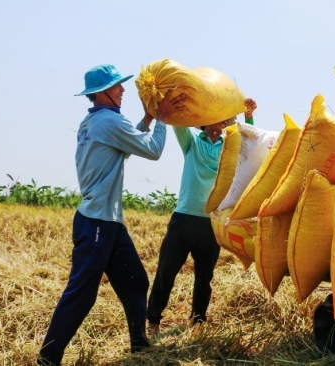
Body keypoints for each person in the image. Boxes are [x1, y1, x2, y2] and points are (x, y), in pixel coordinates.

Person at [37, 64, 186, 366]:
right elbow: (153, 150)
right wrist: (162, 120)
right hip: (97, 223)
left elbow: (128, 142)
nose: (123, 90)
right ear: (101, 94)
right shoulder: (108, 122)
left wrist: (148, 118)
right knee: (82, 293)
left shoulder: (94, 122)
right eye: (117, 86)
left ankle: (139, 345)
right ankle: (48, 357)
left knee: (135, 281)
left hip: (108, 223)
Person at [146, 98, 257, 335]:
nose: (218, 125)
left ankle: (198, 321)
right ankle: (153, 319)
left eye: (222, 120)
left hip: (211, 222)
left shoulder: (229, 147)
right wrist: (181, 103)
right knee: (167, 270)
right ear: (204, 124)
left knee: (204, 277)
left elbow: (250, 145)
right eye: (213, 121)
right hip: (184, 218)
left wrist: (248, 116)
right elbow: (180, 125)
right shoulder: (192, 143)